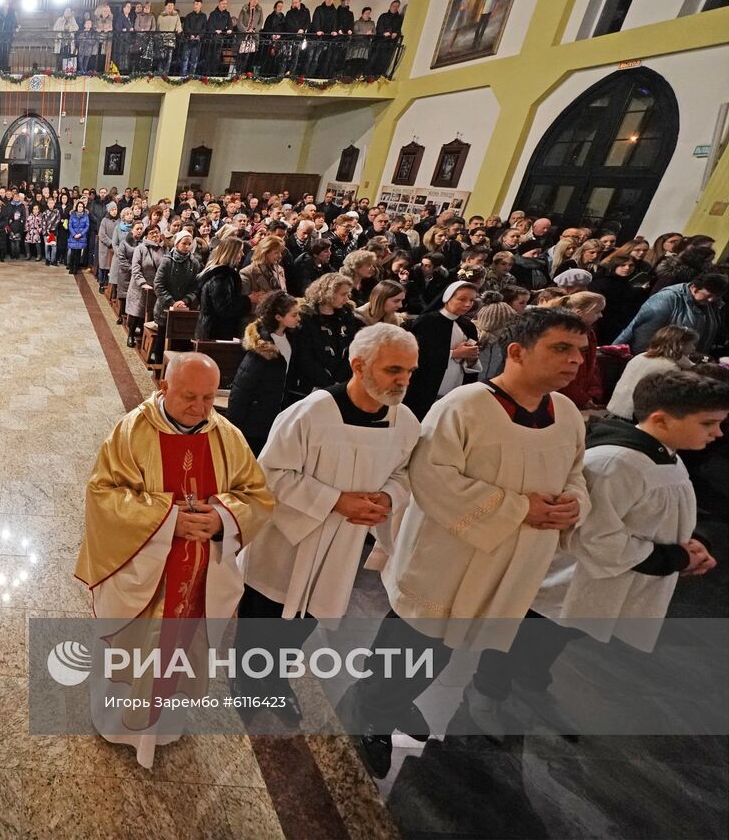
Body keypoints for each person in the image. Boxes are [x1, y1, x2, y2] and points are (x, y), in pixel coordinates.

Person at [352, 309, 592, 777]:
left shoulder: (565, 414)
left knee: (449, 647)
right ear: (518, 352)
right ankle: (371, 712)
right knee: (414, 643)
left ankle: (396, 699)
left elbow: (576, 475)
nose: (575, 361)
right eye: (561, 348)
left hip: (512, 560)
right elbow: (431, 479)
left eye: (580, 351)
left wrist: (573, 504)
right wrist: (521, 508)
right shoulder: (464, 406)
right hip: (447, 558)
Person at [76, 352, 273, 767]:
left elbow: (257, 496)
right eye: (187, 396)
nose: (199, 408)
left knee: (179, 654)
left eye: (207, 397)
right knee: (133, 654)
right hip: (145, 575)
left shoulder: (227, 436)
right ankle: (116, 723)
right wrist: (168, 520)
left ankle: (165, 725)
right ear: (163, 386)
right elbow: (103, 494)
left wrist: (221, 518)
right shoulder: (130, 432)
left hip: (200, 578)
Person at [237, 324, 420, 717]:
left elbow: (406, 474)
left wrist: (386, 497)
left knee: (307, 615)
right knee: (265, 615)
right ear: (358, 365)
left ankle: (276, 677)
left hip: (344, 541)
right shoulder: (312, 413)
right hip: (289, 537)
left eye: (409, 371)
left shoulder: (404, 422)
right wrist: (337, 501)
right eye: (393, 370)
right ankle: (247, 681)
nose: (402, 381)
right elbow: (269, 474)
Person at [561, 370, 724, 650]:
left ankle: (529, 678)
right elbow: (595, 536)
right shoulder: (616, 463)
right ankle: (494, 688)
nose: (718, 433)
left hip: (613, 578)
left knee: (559, 640)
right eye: (708, 423)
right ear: (661, 419)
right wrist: (673, 557)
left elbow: (661, 513)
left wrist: (693, 542)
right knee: (541, 639)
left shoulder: (665, 453)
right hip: (573, 582)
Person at [226, 291, 300, 454]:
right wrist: (232, 428)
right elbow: (242, 388)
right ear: (278, 317)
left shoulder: (292, 338)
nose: (298, 318)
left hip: (277, 414)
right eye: (294, 315)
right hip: (256, 420)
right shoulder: (261, 346)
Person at [403, 280, 481, 419]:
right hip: (426, 389)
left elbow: (470, 362)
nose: (468, 304)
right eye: (462, 299)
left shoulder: (467, 326)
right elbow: (418, 355)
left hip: (454, 388)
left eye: (471, 300)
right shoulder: (427, 322)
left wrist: (471, 359)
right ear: (447, 298)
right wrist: (454, 353)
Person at [614, 273, 725, 354]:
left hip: (679, 360)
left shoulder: (708, 305)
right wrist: (644, 358)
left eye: (716, 296)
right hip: (653, 358)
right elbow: (643, 334)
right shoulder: (667, 298)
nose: (711, 300)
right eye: (708, 295)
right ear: (694, 288)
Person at [604, 324, 698, 420]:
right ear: (679, 344)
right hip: (633, 419)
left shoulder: (640, 356)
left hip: (615, 411)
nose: (693, 348)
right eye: (690, 344)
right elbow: (670, 401)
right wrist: (692, 368)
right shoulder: (668, 367)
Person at [290, 272, 361, 397]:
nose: (347, 299)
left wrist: (340, 380)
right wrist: (327, 382)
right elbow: (305, 356)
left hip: (342, 381)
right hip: (312, 386)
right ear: (328, 293)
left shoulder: (346, 314)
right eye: (343, 294)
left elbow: (352, 347)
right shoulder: (306, 317)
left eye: (347, 294)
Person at [196, 237, 255, 340]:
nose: (242, 254)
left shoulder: (220, 273)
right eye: (240, 251)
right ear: (231, 253)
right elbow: (224, 308)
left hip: (213, 329)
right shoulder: (222, 276)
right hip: (217, 332)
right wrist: (249, 300)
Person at [125, 225, 164, 348]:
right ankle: (130, 335)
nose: (155, 235)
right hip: (139, 286)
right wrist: (143, 283)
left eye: (157, 233)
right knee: (136, 312)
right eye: (152, 233)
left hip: (155, 287)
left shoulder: (163, 249)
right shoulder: (140, 248)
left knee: (149, 314)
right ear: (146, 235)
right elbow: (136, 269)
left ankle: (145, 339)